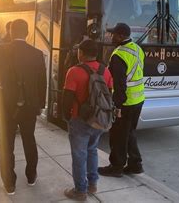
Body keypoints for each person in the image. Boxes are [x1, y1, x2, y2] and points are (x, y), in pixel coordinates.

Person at [0, 19, 47, 195]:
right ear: (27, 33)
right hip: (30, 106)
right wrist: (41, 104)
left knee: (7, 144)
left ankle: (9, 183)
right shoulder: (37, 54)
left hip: (6, 106)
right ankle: (31, 176)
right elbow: (42, 83)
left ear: (10, 32)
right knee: (29, 140)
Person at [62, 40, 113, 201]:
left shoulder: (74, 71)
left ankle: (80, 191)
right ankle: (92, 184)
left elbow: (67, 98)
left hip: (80, 119)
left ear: (81, 53)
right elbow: (108, 95)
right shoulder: (106, 71)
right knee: (92, 150)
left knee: (79, 155)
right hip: (98, 119)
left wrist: (67, 116)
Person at [98, 23, 145, 177]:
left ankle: (116, 167)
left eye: (113, 34)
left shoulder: (119, 55)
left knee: (118, 134)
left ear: (120, 36)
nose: (111, 37)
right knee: (129, 132)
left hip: (125, 102)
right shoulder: (137, 48)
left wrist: (117, 106)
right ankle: (135, 164)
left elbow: (119, 84)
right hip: (138, 99)